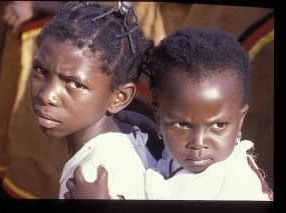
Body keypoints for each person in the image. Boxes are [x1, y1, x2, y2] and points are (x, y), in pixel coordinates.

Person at [64, 27, 273, 200]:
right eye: (182, 125)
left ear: (240, 119)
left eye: (218, 126)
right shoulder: (190, 161)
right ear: (158, 114)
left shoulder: (235, 185)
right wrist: (154, 129)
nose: (198, 143)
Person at [30, 1, 156, 199]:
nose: (47, 95)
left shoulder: (93, 179)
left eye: (75, 84)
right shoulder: (120, 134)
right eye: (40, 71)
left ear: (119, 98)